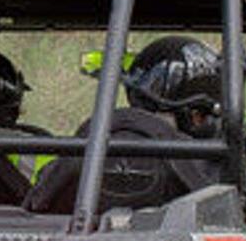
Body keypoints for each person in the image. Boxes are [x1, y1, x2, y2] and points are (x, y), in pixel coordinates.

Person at [24, 35, 229, 213]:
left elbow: (34, 207)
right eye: (202, 116)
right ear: (195, 116)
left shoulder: (70, 161)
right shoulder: (209, 174)